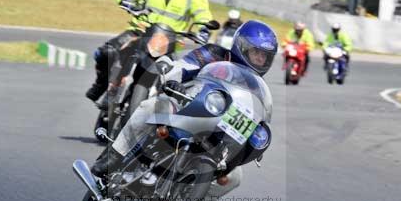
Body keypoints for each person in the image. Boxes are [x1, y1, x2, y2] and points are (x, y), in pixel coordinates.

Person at [90, 20, 278, 186]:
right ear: (242, 46)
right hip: (186, 108)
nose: (261, 60)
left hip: (217, 137)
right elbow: (184, 65)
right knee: (153, 106)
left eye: (265, 56)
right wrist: (173, 80)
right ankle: (113, 156)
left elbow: (257, 117)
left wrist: (255, 138)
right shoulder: (214, 53)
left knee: (235, 177)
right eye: (257, 53)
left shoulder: (257, 87)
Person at [85, 0, 214, 105]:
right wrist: (127, 0)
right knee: (106, 53)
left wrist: (204, 28)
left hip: (170, 42)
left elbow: (203, 14)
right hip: (139, 31)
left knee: (176, 82)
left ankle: (150, 111)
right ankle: (102, 83)